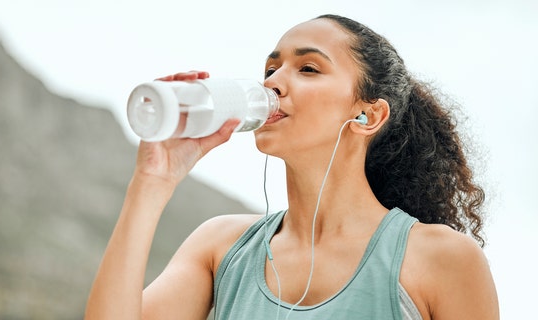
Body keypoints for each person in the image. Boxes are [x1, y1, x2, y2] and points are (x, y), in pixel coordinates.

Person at [84, 14, 499, 320]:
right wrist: (152, 181)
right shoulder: (222, 247)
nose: (273, 83)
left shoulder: (442, 259)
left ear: (367, 116)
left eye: (308, 68)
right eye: (270, 69)